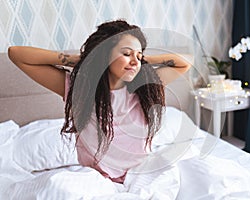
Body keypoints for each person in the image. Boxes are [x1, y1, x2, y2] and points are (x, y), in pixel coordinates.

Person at [8, 19, 191, 184]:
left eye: (139, 55)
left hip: (141, 175)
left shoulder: (145, 86)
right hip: (97, 180)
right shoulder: (79, 88)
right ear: (104, 54)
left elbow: (184, 62)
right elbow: (16, 54)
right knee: (58, 187)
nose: (135, 61)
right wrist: (78, 61)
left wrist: (143, 60)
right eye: (126, 53)